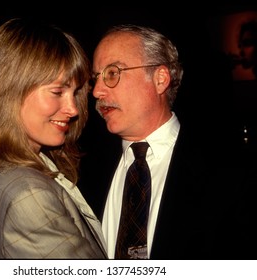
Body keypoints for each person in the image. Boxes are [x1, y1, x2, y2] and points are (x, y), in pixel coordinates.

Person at [79, 24, 252, 259]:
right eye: (95, 78)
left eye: (112, 73)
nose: (97, 91)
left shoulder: (229, 171)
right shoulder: (81, 168)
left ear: (160, 79)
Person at [0, 18, 107, 259]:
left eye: (75, 92)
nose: (73, 109)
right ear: (10, 90)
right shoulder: (28, 196)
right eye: (58, 92)